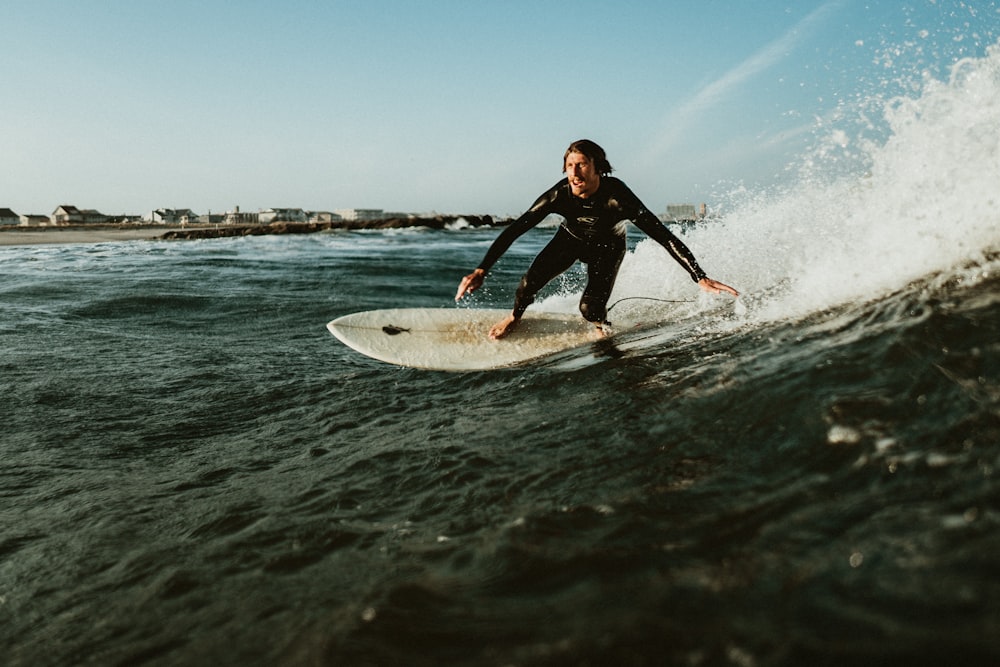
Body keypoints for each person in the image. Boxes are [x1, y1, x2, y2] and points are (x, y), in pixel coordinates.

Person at [455, 139, 739, 339]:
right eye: (569, 165)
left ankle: (601, 324)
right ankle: (514, 318)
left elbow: (662, 235)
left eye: (581, 165)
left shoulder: (618, 198)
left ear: (597, 166)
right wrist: (482, 268)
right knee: (528, 284)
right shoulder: (558, 195)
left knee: (590, 310)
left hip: (608, 247)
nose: (574, 173)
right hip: (569, 240)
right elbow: (517, 228)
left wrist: (698, 276)